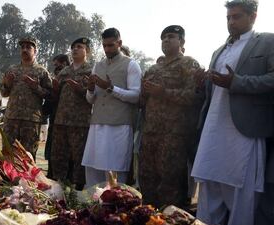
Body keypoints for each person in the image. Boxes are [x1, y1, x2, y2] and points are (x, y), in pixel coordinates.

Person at [191, 1, 274, 224]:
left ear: (253, 16)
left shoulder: (267, 41)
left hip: (244, 131)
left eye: (236, 17)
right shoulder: (219, 50)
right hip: (214, 129)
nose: (230, 22)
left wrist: (237, 82)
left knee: (241, 196)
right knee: (209, 189)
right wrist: (202, 83)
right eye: (228, 18)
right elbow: (214, 91)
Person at [138, 25, 205, 208]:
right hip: (150, 133)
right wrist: (144, 92)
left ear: (182, 42)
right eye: (163, 38)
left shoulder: (188, 64)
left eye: (171, 37)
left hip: (174, 134)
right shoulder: (153, 68)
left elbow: (194, 97)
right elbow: (141, 102)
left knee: (171, 183)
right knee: (147, 180)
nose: (166, 40)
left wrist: (164, 92)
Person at [81, 28, 142, 187]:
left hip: (118, 126)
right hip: (97, 124)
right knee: (92, 169)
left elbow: (136, 96)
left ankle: (113, 207)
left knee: (114, 172)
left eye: (111, 45)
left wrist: (111, 88)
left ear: (119, 43)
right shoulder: (98, 65)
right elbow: (90, 100)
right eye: (104, 46)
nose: (107, 49)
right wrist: (90, 89)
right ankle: (92, 206)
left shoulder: (131, 65)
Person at [50, 38, 93, 190]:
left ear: (87, 51)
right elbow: (55, 96)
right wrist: (54, 89)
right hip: (61, 120)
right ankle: (58, 186)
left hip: (80, 122)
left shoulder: (91, 71)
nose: (75, 49)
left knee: (79, 156)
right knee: (58, 155)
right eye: (73, 47)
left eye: (79, 47)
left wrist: (79, 88)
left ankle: (78, 189)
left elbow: (93, 96)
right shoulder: (64, 72)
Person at [0, 36, 52, 161]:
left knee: (27, 156)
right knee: (7, 154)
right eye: (22, 47)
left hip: (31, 120)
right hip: (11, 119)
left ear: (35, 51)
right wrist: (7, 83)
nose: (24, 49)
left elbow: (50, 95)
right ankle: (7, 179)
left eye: (29, 47)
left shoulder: (42, 71)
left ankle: (26, 181)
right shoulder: (12, 70)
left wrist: (36, 87)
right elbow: (4, 93)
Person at [43, 54, 70, 178]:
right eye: (55, 65)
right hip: (54, 123)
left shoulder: (70, 79)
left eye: (59, 64)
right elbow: (48, 105)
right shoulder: (55, 80)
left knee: (69, 158)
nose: (57, 67)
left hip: (70, 125)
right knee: (52, 155)